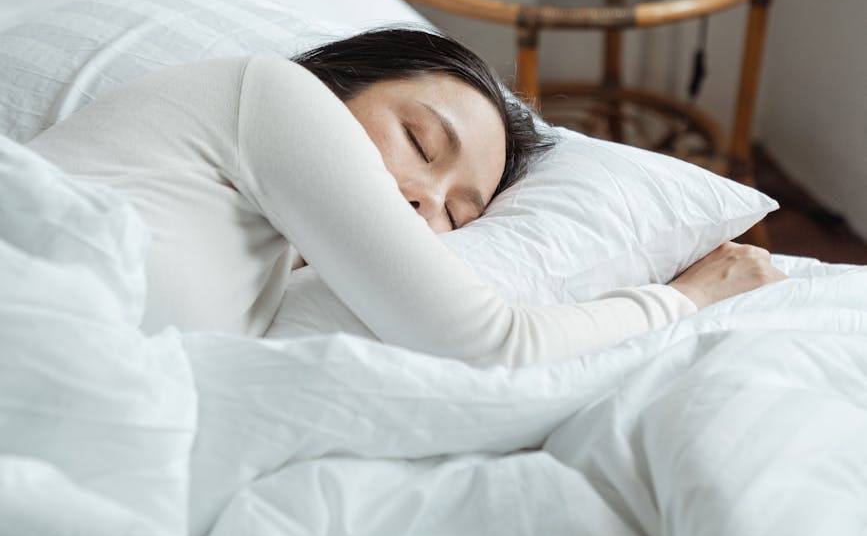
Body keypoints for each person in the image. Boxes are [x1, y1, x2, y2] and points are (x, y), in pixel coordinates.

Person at [28, 27, 785, 366]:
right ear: (335, 81)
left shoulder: (265, 261)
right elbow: (492, 344)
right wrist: (683, 299)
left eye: (459, 215)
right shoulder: (270, 93)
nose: (425, 203)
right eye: (422, 144)